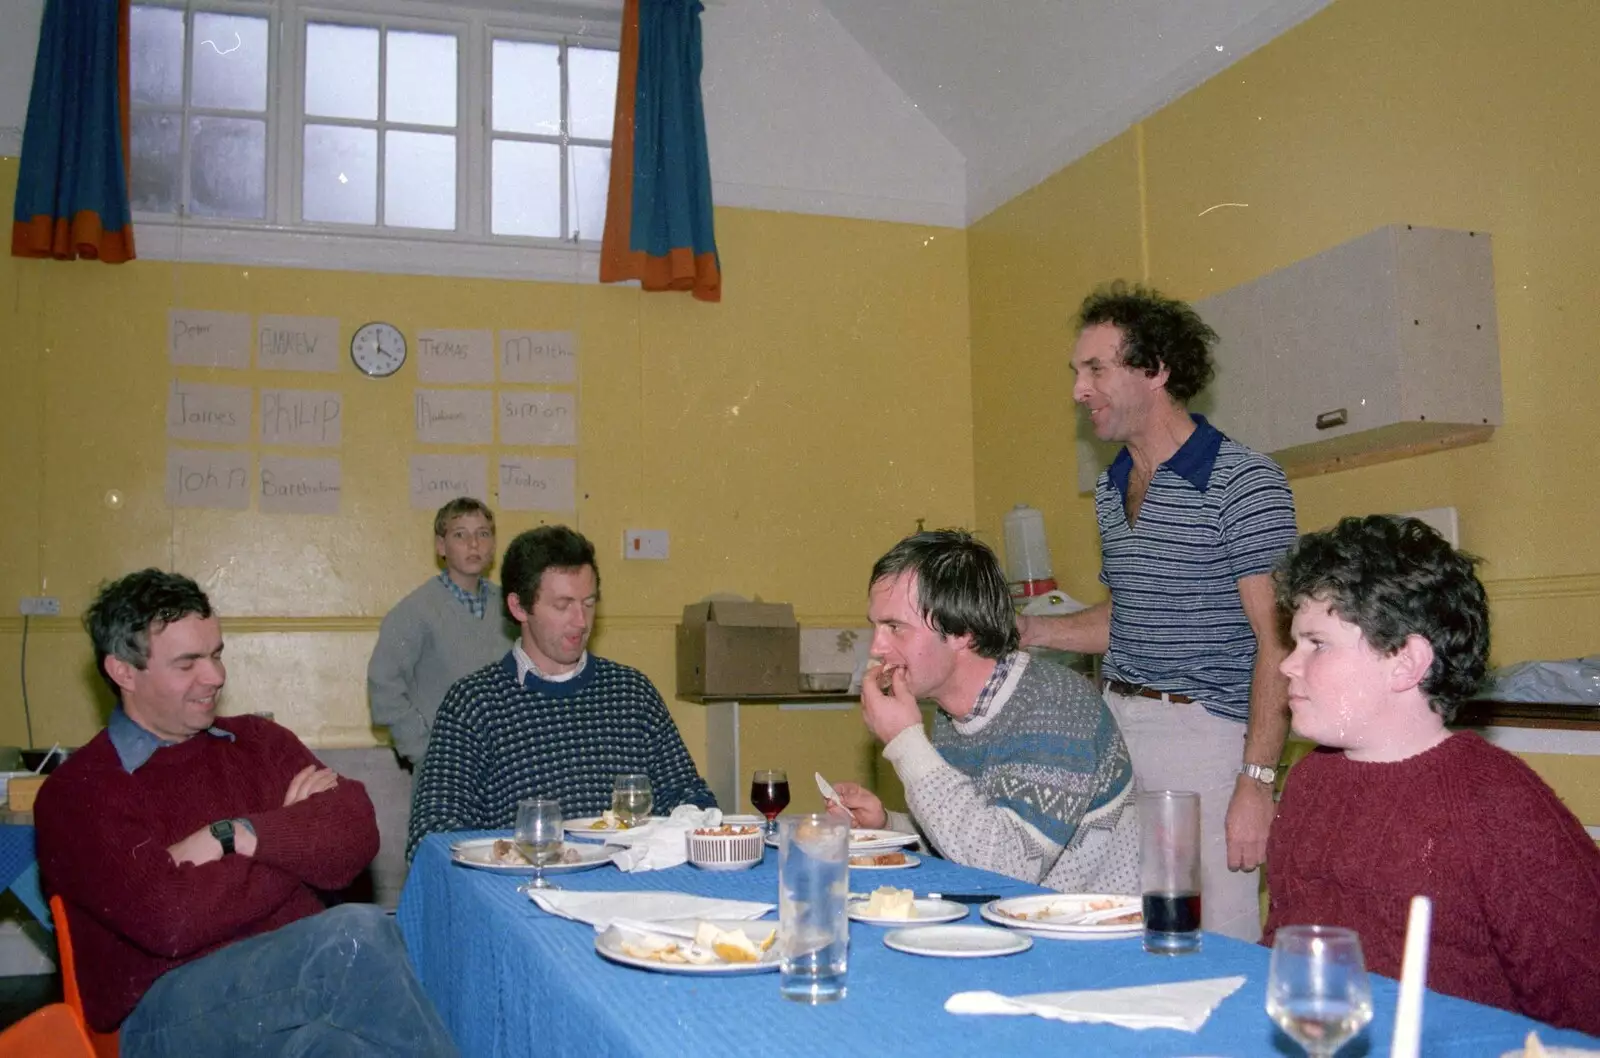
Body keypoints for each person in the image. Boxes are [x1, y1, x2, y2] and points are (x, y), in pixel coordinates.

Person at [33, 569, 458, 1057]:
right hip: (166, 1014)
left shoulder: (258, 742)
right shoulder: (80, 791)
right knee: (354, 936)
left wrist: (236, 834)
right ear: (124, 672)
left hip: (292, 992)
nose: (214, 676)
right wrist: (293, 845)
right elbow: (172, 920)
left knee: (341, 1048)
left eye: (215, 654)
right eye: (187, 663)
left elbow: (355, 833)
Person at [1018, 282, 1297, 940]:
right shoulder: (1112, 485)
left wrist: (1256, 782)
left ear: (1156, 370)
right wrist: (1028, 631)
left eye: (1096, 369)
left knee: (1211, 940)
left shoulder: (1243, 480)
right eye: (1076, 372)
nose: (1079, 391)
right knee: (1108, 925)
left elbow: (1277, 642)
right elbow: (1131, 616)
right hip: (1116, 732)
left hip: (1206, 742)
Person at [1265, 515, 1600, 1034]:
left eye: (1317, 643)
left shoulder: (1497, 805)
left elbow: (1587, 1003)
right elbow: (1284, 954)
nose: (1288, 665)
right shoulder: (1311, 781)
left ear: (1406, 662)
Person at [828, 530, 1139, 893]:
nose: (878, 647)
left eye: (895, 627)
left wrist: (906, 743)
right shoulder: (954, 713)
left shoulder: (1054, 706)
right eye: (876, 626)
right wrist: (887, 826)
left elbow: (1004, 869)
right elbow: (966, 841)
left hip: (1091, 937)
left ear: (962, 631)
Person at [407, 525, 716, 858]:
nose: (580, 621)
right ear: (519, 607)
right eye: (562, 605)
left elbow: (690, 798)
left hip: (628, 890)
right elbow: (434, 832)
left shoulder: (632, 694)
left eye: (588, 603)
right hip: (521, 894)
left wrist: (691, 821)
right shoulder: (474, 703)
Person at [368, 496, 515, 770]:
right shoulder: (415, 611)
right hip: (444, 768)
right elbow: (383, 684)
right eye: (460, 535)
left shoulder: (509, 608)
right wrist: (423, 751)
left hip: (502, 765)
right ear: (440, 546)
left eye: (482, 534)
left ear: (493, 545)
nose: (474, 544)